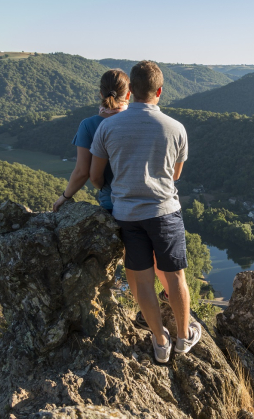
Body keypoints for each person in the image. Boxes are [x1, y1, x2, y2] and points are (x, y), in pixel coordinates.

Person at [89, 60, 201, 364]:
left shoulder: (108, 127)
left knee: (142, 281)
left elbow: (96, 175)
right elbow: (176, 175)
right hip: (164, 212)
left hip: (127, 214)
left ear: (131, 91)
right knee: (175, 277)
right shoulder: (175, 128)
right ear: (159, 91)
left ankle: (160, 341)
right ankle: (183, 336)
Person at [53, 69, 171, 331]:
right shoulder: (137, 120)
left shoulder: (90, 125)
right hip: (152, 200)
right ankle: (168, 298)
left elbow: (85, 172)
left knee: (136, 265)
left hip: (114, 204)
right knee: (156, 257)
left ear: (100, 92)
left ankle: (148, 318)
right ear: (129, 93)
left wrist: (64, 197)